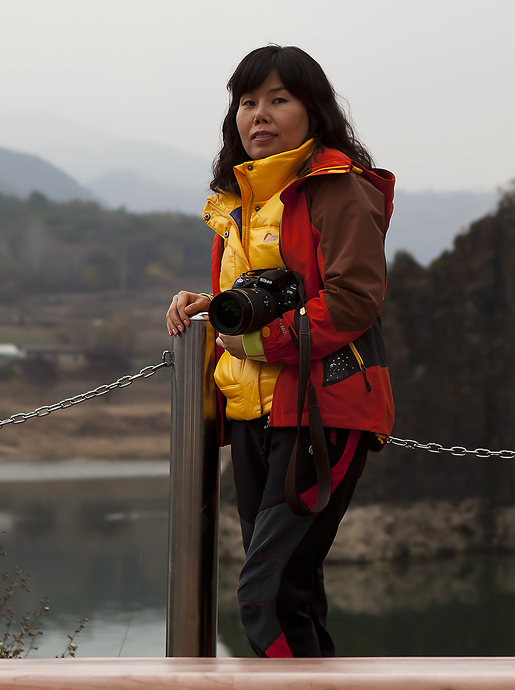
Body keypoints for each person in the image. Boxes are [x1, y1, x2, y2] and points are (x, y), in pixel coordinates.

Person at [165, 45, 394, 658]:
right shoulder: (238, 204)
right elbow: (257, 295)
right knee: (291, 593)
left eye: (278, 99)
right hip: (252, 413)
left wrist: (258, 341)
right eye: (247, 102)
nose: (259, 114)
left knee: (263, 597)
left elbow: (353, 298)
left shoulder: (337, 190)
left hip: (321, 410)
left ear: (313, 111)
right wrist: (211, 307)